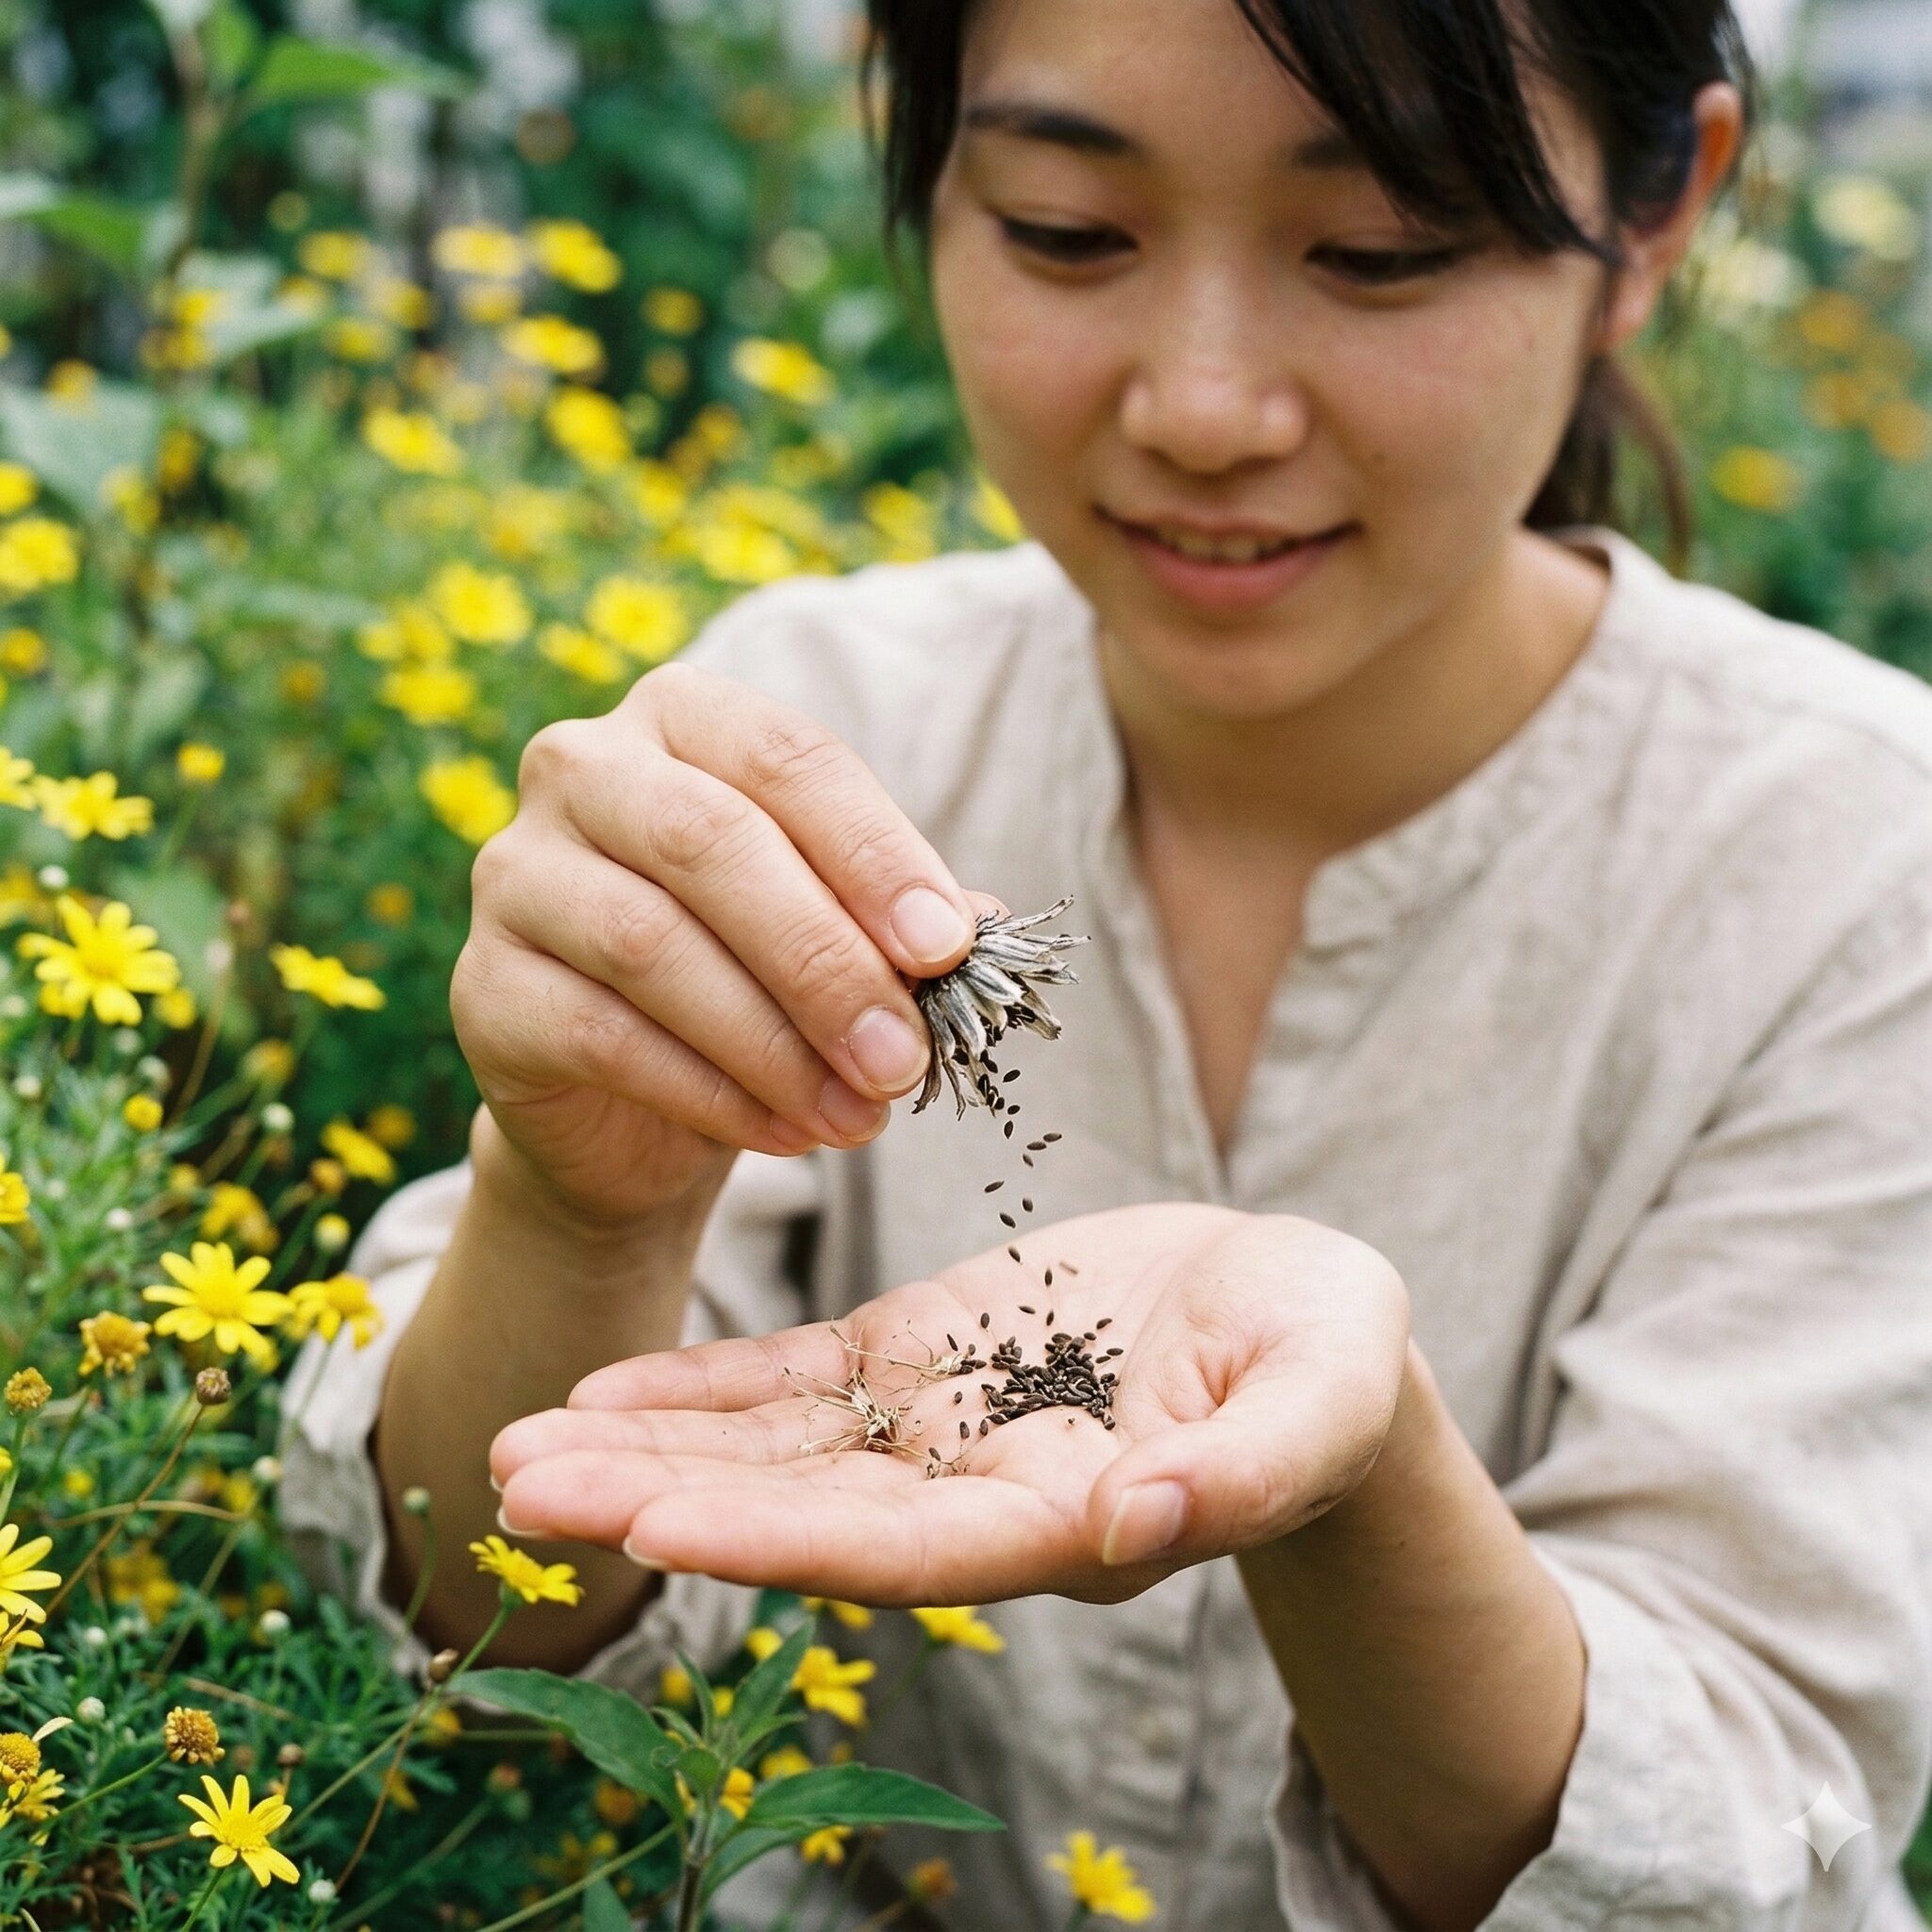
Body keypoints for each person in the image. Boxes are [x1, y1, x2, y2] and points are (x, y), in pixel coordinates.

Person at [280, 1, 1932, 1926]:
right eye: (1068, 228)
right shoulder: (825, 727)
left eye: (1378, 252)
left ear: (1654, 219)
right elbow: (466, 1660)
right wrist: (572, 1204)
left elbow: (1739, 1840)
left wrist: (1357, 1464)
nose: (1201, 408)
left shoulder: (1852, 868)